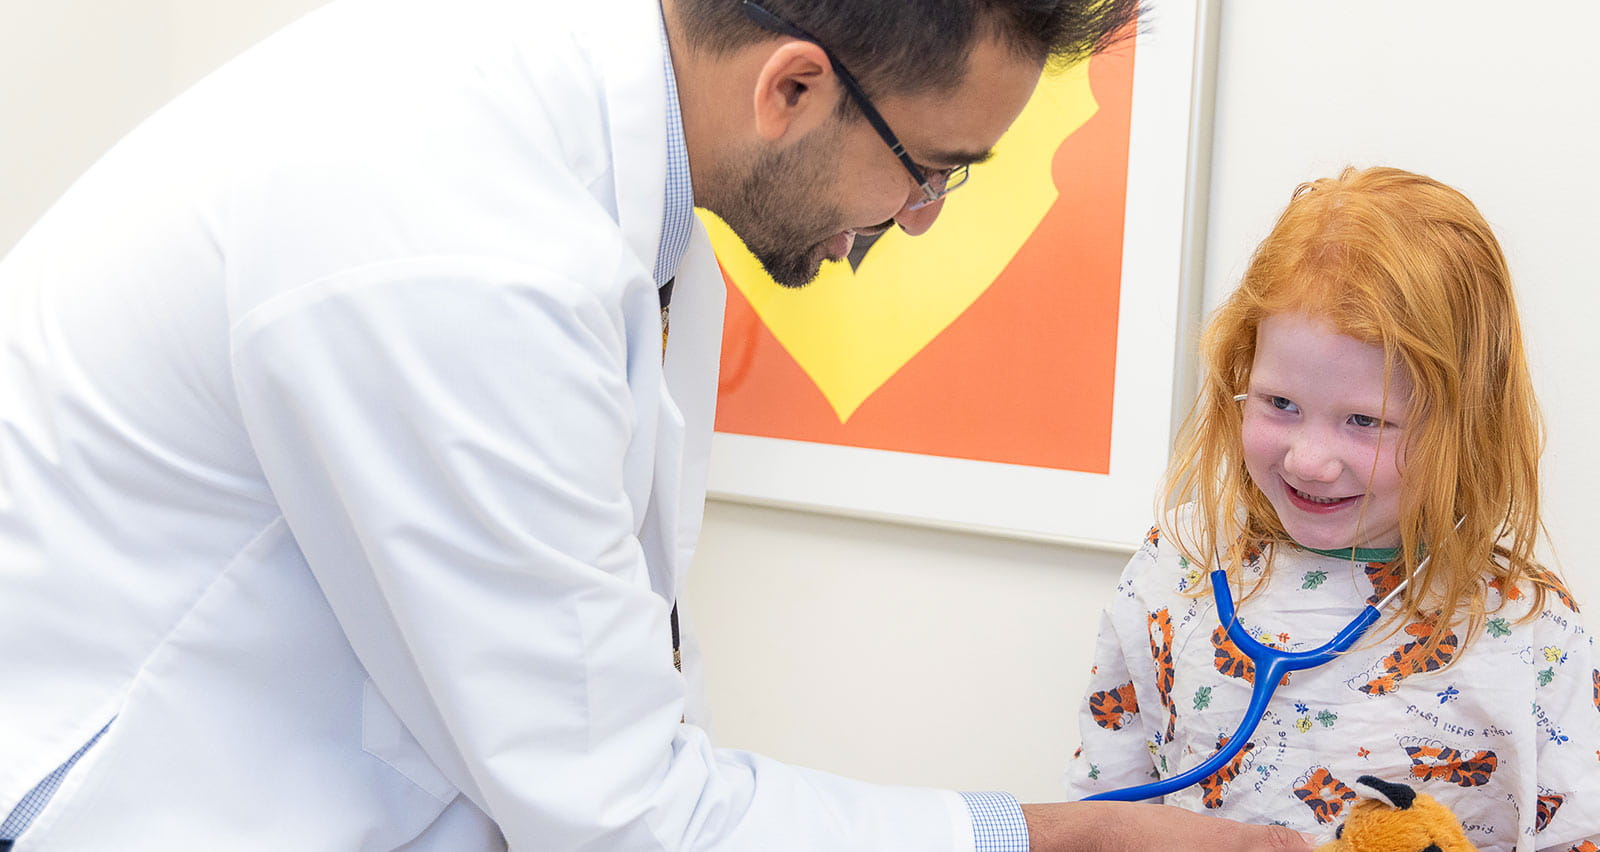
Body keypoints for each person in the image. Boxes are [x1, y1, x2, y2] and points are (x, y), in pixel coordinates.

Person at [0, 0, 1316, 849]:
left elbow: (606, 699)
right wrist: (1050, 835)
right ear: (793, 89)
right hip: (117, 796)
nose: (921, 217)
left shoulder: (615, 167)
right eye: (934, 170)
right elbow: (621, 812)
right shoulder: (459, 241)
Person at [1060, 166, 1600, 850]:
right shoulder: (1180, 566)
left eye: (1366, 422)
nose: (1310, 460)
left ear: (1467, 424)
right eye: (1279, 404)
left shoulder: (1528, 628)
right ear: (1240, 372)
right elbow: (1101, 809)